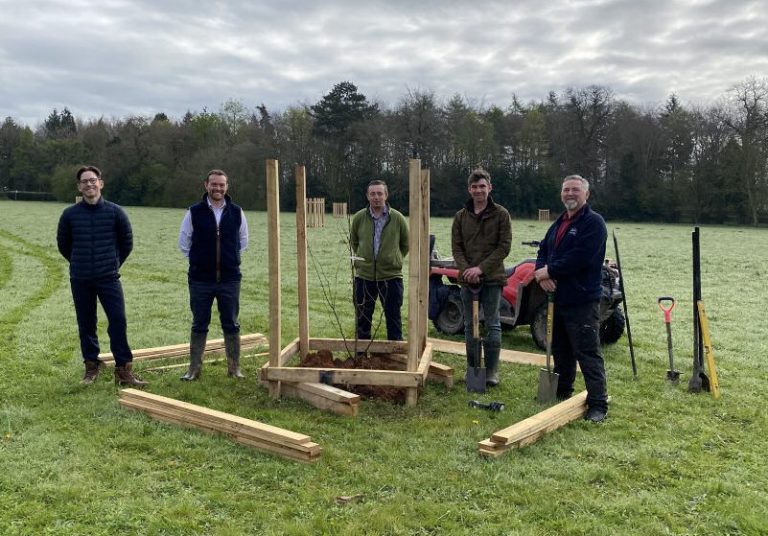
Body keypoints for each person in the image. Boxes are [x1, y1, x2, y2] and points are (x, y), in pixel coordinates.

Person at [56, 165, 147, 387]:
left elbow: (127, 243)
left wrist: (113, 264)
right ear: (79, 186)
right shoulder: (69, 215)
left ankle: (123, 371)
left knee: (118, 320)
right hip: (80, 278)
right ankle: (91, 368)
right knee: (86, 323)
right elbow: (63, 245)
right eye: (84, 181)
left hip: (109, 278)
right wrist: (80, 262)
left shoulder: (116, 212)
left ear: (101, 183)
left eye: (93, 180)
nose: (89, 184)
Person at [534, 174, 609, 423]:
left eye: (575, 190)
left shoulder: (593, 223)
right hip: (557, 298)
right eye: (566, 189)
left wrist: (550, 271)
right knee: (561, 350)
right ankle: (562, 391)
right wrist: (540, 273)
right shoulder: (558, 223)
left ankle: (598, 404)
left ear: (586, 194)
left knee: (587, 352)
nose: (570, 194)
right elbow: (543, 250)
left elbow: (582, 257)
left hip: (582, 300)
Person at [178, 169, 249, 380]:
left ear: (227, 187)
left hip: (229, 279)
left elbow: (242, 242)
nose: (217, 188)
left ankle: (234, 368)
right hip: (200, 280)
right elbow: (184, 243)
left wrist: (228, 260)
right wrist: (201, 261)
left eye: (221, 185)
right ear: (206, 185)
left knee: (231, 323)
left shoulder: (237, 212)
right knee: (199, 323)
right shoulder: (193, 212)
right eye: (214, 184)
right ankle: (194, 369)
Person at [451, 169, 512, 386]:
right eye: (475, 187)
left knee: (492, 324)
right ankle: (473, 368)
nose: (479, 190)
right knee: (470, 324)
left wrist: (481, 269)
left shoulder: (501, 214)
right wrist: (467, 270)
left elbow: (504, 247)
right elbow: (456, 248)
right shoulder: (460, 216)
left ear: (490, 188)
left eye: (482, 186)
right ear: (469, 189)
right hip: (467, 280)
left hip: (493, 278)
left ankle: (492, 371)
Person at [350, 180, 409, 342]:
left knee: (393, 318)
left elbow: (405, 244)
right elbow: (354, 242)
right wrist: (366, 260)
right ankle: (361, 356)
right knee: (363, 318)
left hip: (391, 277)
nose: (376, 197)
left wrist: (393, 259)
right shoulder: (359, 218)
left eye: (379, 193)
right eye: (372, 194)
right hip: (364, 277)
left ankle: (394, 355)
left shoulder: (397, 218)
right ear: (367, 196)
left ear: (386, 195)